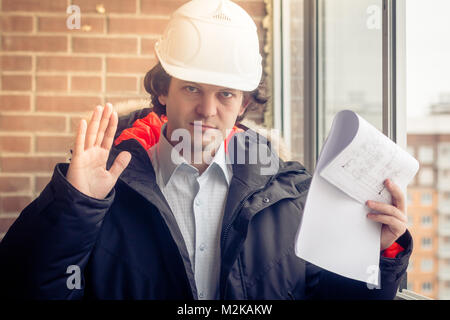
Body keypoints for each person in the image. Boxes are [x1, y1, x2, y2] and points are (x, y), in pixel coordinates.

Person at [0, 0, 411, 300]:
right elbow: (28, 287)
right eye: (192, 87)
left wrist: (376, 254)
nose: (207, 111)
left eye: (226, 94)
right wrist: (74, 206)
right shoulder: (101, 191)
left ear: (245, 103)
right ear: (163, 90)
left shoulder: (292, 195)